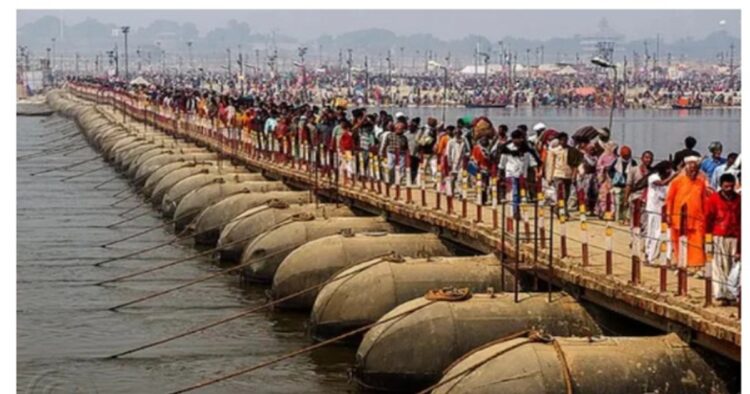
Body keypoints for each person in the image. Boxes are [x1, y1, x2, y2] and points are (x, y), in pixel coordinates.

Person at [665, 154, 709, 273]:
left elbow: (704, 200)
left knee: (697, 242)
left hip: (697, 218)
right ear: (686, 168)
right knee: (679, 242)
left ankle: (697, 266)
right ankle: (681, 264)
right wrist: (668, 215)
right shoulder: (676, 181)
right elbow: (669, 199)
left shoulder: (701, 182)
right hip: (678, 218)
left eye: (695, 169)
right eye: (690, 168)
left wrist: (706, 216)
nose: (692, 171)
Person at [705, 173, 741, 304]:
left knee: (733, 267)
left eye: (731, 186)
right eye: (726, 186)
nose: (729, 189)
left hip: (735, 236)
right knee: (718, 266)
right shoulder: (714, 199)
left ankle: (731, 295)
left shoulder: (739, 200)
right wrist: (707, 238)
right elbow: (708, 219)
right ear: (721, 186)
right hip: (718, 235)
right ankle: (720, 294)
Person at [499, 129, 537, 217]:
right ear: (512, 139)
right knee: (515, 192)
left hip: (522, 174)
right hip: (511, 173)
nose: (518, 141)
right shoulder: (507, 148)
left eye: (519, 139)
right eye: (515, 139)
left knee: (521, 193)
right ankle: (515, 211)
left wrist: (536, 171)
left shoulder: (526, 149)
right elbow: (502, 162)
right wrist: (500, 173)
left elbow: (531, 160)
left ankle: (518, 209)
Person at [643, 161, 673, 264]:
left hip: (666, 210)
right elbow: (662, 183)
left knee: (668, 234)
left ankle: (667, 258)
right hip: (654, 210)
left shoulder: (671, 178)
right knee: (653, 233)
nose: (670, 171)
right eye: (668, 169)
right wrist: (675, 175)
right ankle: (649, 256)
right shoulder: (653, 177)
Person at [545, 132, 581, 217]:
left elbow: (574, 164)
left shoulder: (571, 150)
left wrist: (574, 175)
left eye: (565, 140)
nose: (564, 142)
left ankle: (558, 208)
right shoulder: (554, 151)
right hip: (558, 174)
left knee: (567, 194)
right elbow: (550, 164)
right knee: (562, 193)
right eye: (562, 140)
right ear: (559, 141)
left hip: (568, 175)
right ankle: (564, 211)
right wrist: (549, 178)